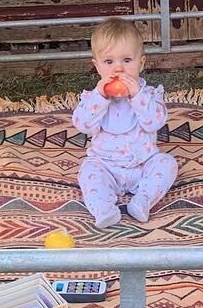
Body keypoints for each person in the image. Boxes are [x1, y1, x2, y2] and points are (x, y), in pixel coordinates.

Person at [72, 17, 178, 229]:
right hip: (105, 165)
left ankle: (143, 200)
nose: (118, 69)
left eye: (127, 60)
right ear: (97, 66)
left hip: (142, 164)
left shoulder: (148, 95)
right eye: (109, 62)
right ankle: (103, 208)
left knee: (167, 163)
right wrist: (100, 98)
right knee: (88, 172)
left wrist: (137, 95)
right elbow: (82, 125)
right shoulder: (93, 98)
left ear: (141, 63)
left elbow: (154, 122)